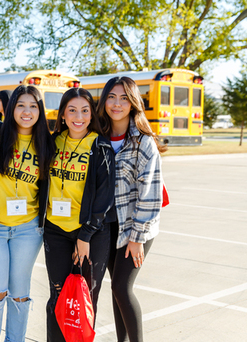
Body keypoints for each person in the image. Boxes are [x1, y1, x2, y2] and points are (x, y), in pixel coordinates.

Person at [0, 85, 55, 342]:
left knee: (20, 294)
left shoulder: (46, 141)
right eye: (21, 105)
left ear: (40, 111)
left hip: (27, 229)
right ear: (11, 108)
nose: (27, 111)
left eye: (33, 106)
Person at [43, 88, 116, 341]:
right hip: (56, 230)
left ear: (91, 114)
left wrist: (84, 235)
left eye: (85, 110)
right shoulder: (52, 143)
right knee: (58, 296)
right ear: (62, 114)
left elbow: (104, 197)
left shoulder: (100, 145)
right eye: (72, 110)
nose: (79, 116)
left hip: (92, 233)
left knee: (85, 298)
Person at [98, 76, 166, 342]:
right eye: (112, 97)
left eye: (124, 98)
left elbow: (150, 196)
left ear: (133, 103)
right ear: (104, 101)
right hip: (107, 227)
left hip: (135, 227)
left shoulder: (143, 143)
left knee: (121, 287)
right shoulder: (97, 138)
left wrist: (138, 237)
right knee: (116, 291)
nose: (117, 104)